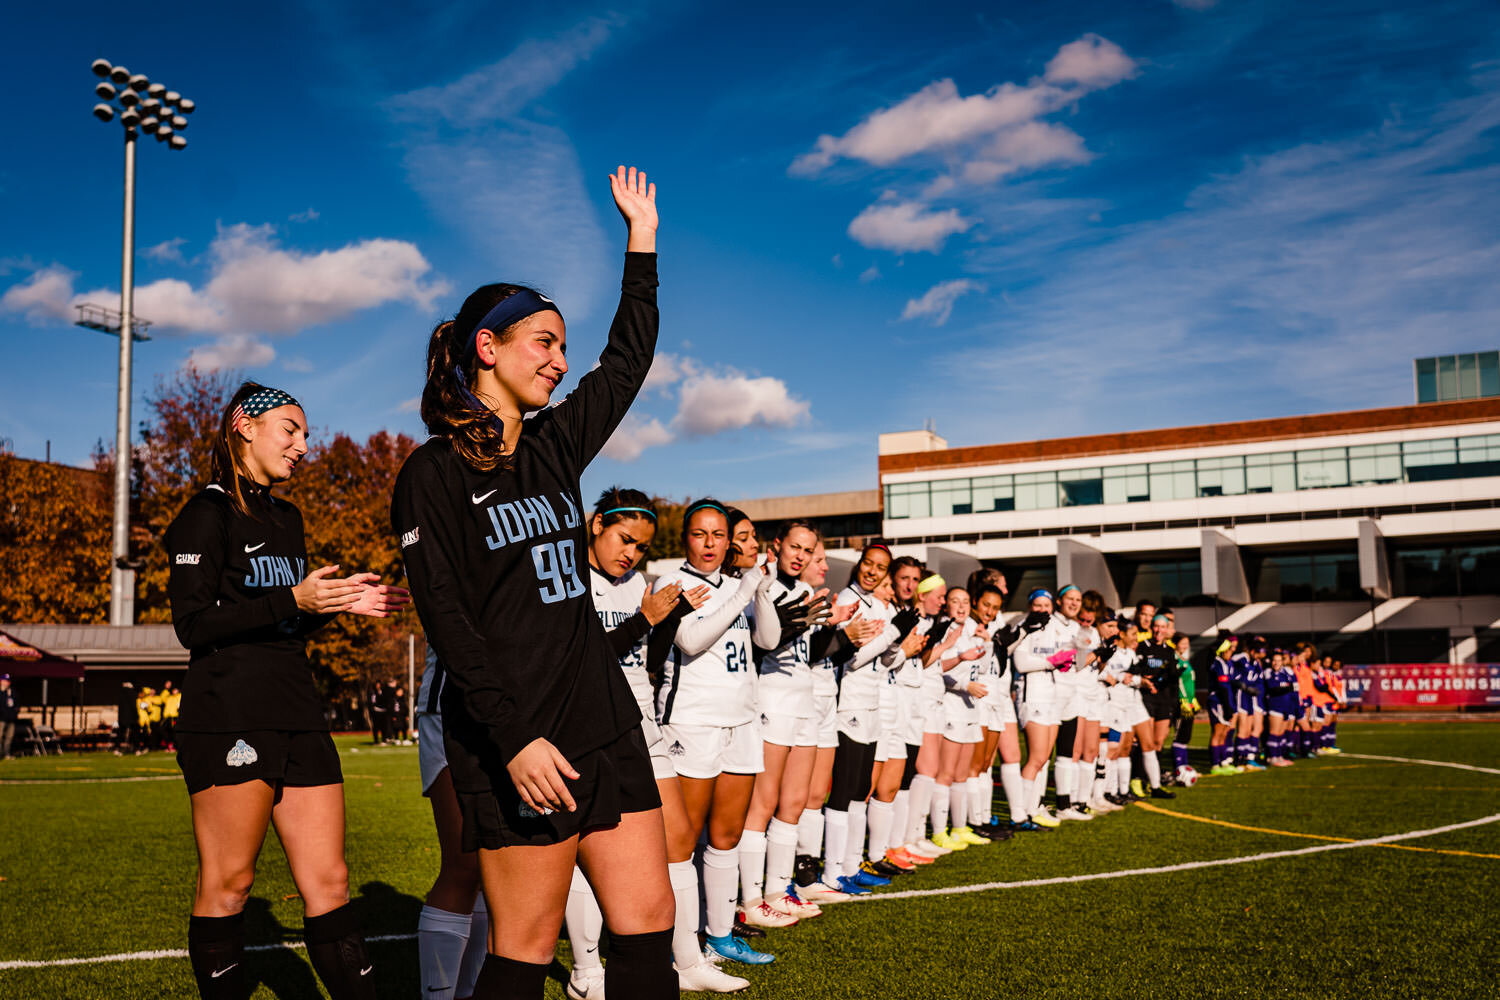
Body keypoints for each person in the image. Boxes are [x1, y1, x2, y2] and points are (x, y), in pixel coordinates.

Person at [393, 166, 678, 1000]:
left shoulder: (555, 445)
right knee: (523, 948)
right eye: (543, 343)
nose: (560, 360)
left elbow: (625, 362)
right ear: (488, 347)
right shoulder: (431, 473)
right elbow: (447, 619)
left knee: (647, 924)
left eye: (561, 345)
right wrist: (514, 740)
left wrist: (642, 244)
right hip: (514, 740)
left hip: (601, 721)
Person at [167, 380, 409, 1000]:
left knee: (330, 880)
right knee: (231, 883)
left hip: (299, 711)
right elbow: (193, 624)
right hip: (229, 715)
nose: (304, 445)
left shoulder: (287, 516)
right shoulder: (207, 514)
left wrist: (337, 604)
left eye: (306, 433)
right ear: (244, 428)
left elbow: (281, 617)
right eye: (290, 429)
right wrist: (293, 597)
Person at [565, 489, 746, 995]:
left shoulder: (637, 584)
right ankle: (586, 972)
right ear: (596, 524)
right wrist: (645, 619)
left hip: (641, 723)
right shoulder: (568, 580)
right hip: (586, 728)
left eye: (642, 547)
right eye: (625, 539)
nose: (631, 554)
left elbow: (648, 659)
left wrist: (667, 621)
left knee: (678, 838)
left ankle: (686, 962)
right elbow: (584, 663)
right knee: (587, 845)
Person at [649, 499, 780, 964]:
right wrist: (744, 592)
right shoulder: (672, 581)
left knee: (728, 836)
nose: (710, 544)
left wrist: (760, 591)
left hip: (741, 720)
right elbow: (690, 639)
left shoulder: (736, 583)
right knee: (681, 842)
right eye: (700, 534)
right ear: (686, 538)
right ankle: (678, 945)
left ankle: (720, 935)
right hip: (693, 721)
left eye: (719, 535)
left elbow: (767, 640)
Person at [740, 521, 841, 927]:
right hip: (773, 702)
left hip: (805, 703)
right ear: (777, 546)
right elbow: (761, 644)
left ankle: (778, 891)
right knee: (761, 805)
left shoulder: (802, 591)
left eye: (807, 549)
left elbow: (807, 652)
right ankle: (750, 898)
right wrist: (795, 622)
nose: (800, 555)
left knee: (794, 804)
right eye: (794, 547)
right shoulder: (763, 587)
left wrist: (833, 626)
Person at [0, 674, 16, 759]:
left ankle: (7, 754)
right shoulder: (1, 692)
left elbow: (15, 704)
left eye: (8, 681)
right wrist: (3, 692)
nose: (7, 683)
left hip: (11, 719)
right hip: (1, 719)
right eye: (5, 681)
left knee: (9, 737)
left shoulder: (12, 692)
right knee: (0, 736)